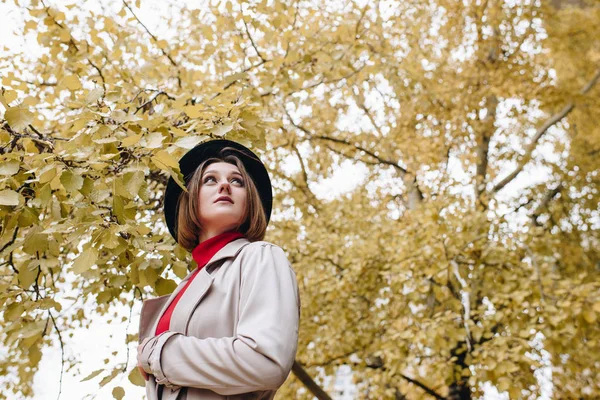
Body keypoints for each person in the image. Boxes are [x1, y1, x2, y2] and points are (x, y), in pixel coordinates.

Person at [136, 139, 300, 400]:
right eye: (210, 180)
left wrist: (159, 353)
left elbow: (265, 361)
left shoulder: (261, 257)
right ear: (189, 198)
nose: (225, 185)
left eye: (237, 181)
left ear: (249, 202)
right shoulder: (186, 285)